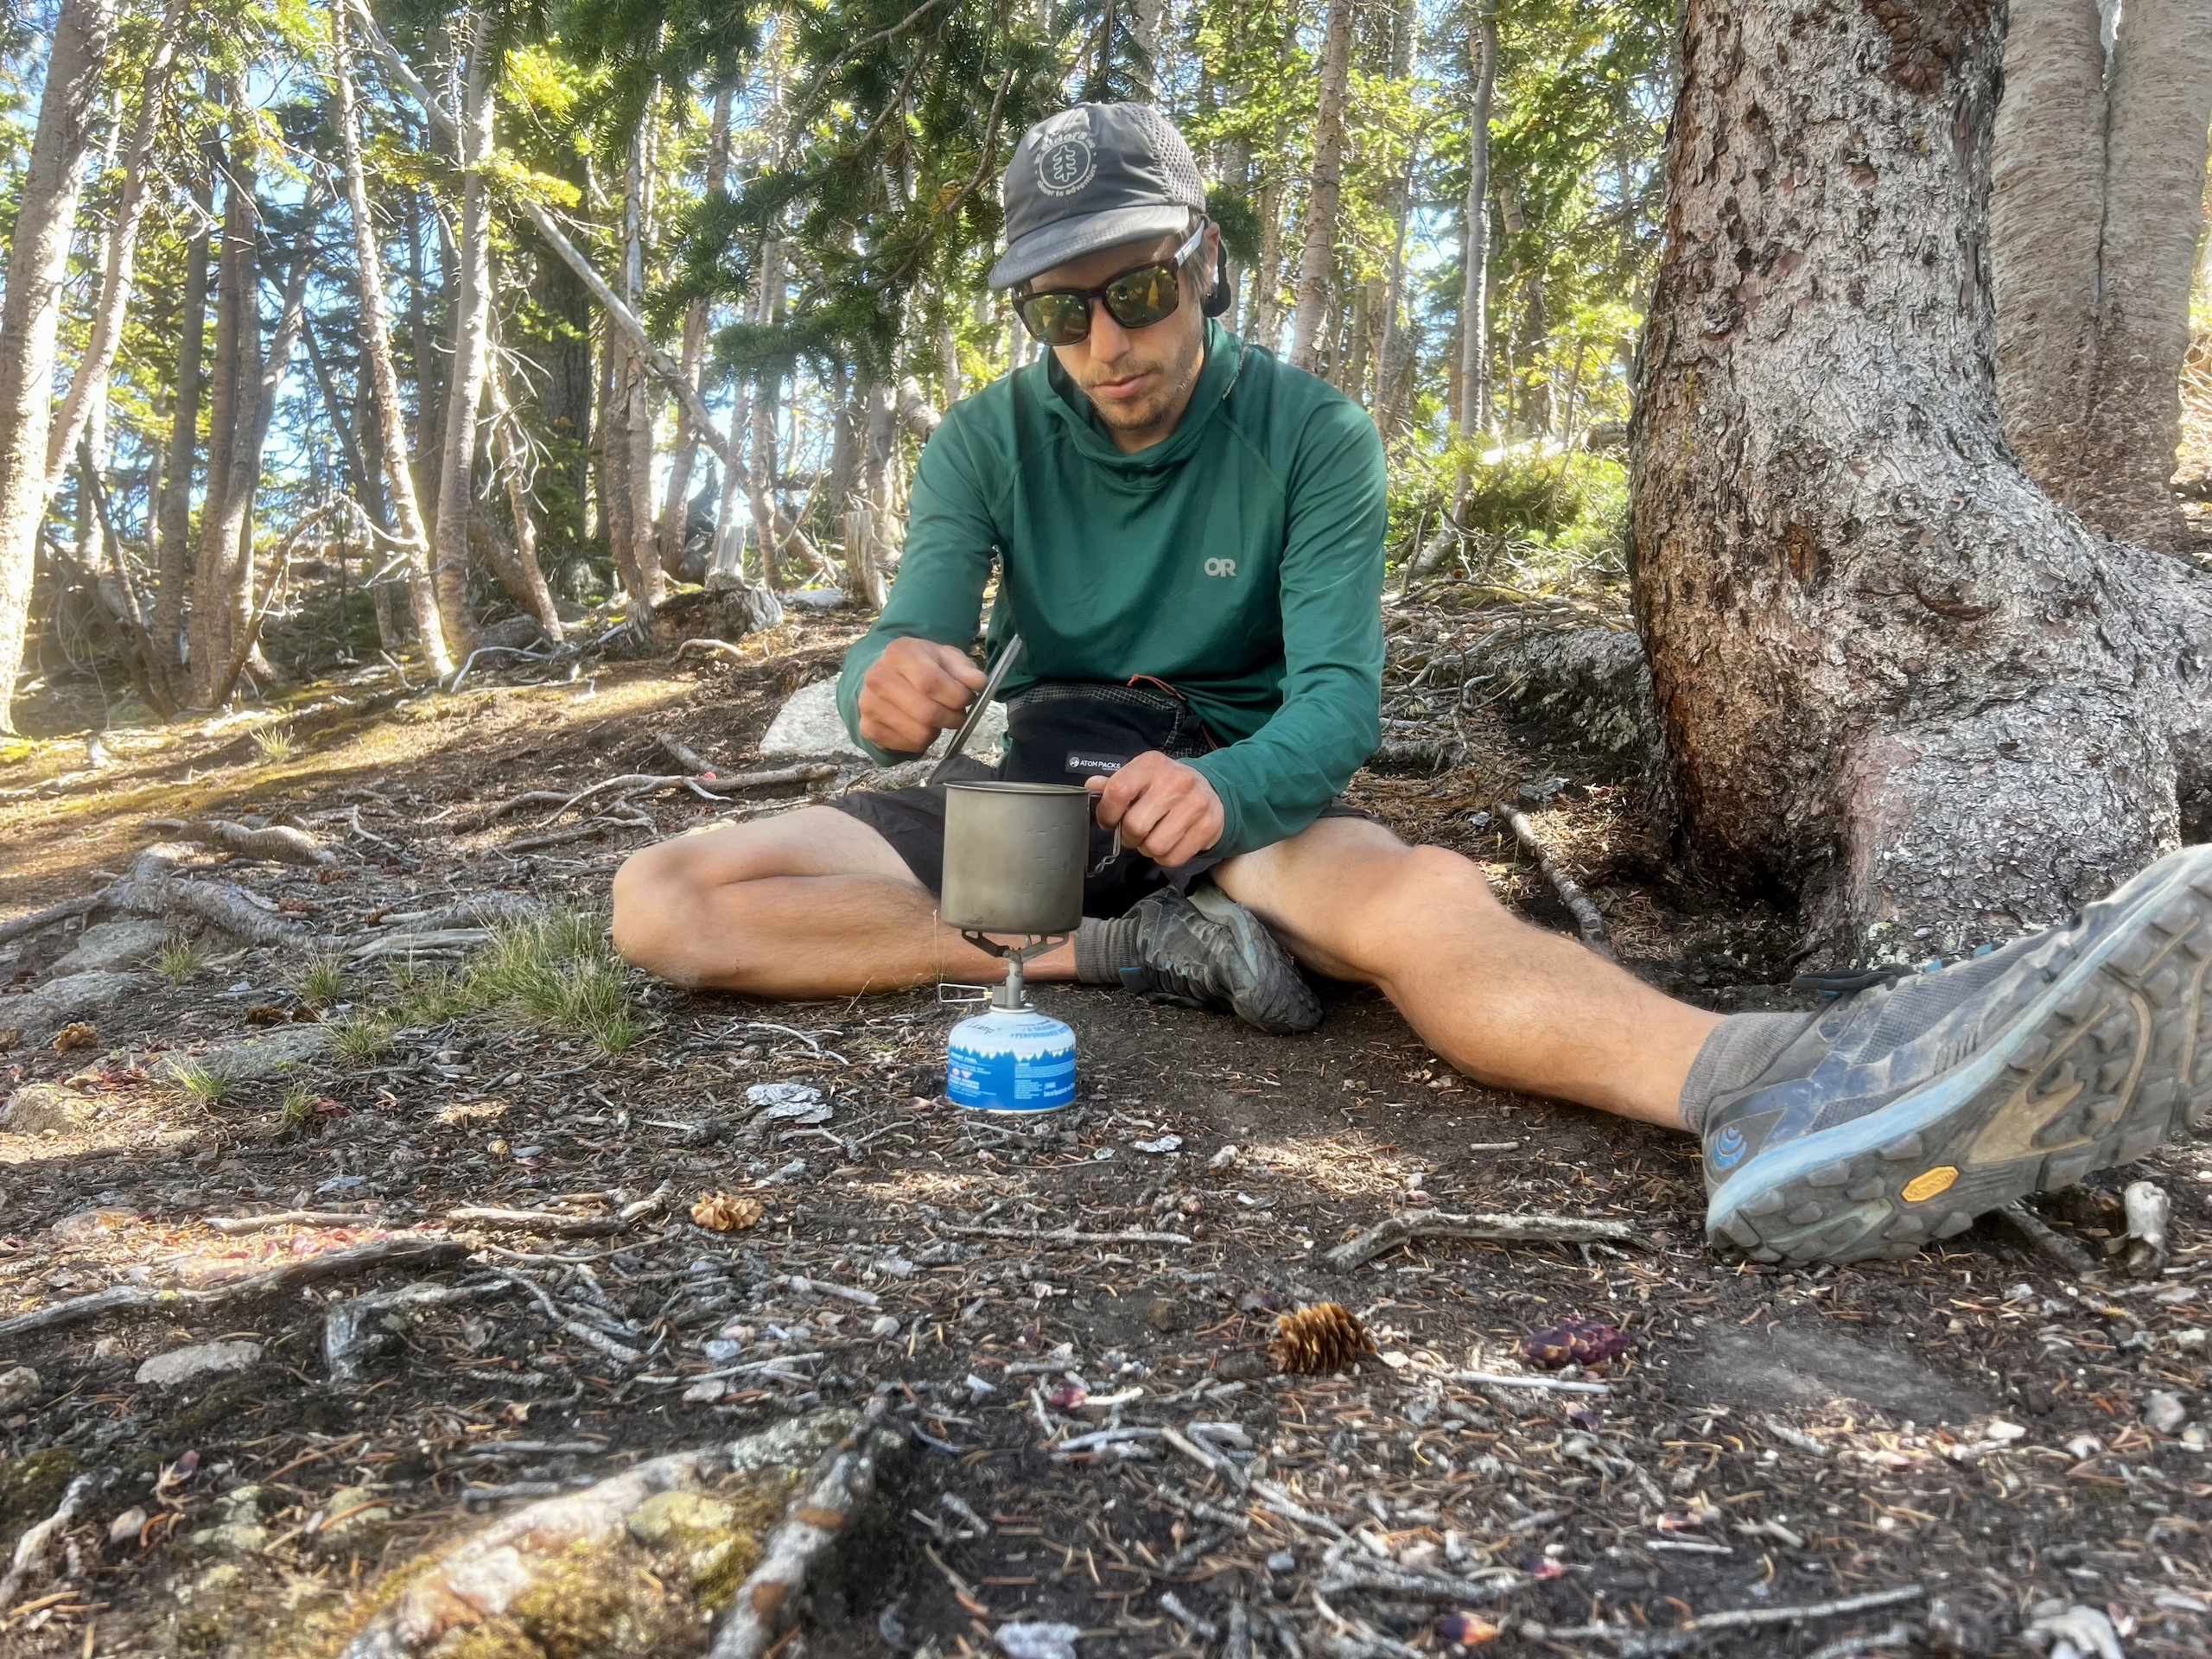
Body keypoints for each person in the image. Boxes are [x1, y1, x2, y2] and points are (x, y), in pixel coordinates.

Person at [613, 102, 2212, 1266]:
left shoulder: (1311, 435)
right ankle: (1123, 950)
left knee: (1422, 904)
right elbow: (900, 634)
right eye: (1059, 306)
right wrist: (885, 679)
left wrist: (1227, 797)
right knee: (668, 904)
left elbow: (1339, 705)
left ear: (1206, 263)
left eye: (1139, 289)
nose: (1105, 339)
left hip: (1241, 771)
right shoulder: (986, 438)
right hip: (1035, 780)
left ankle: (1764, 1087)